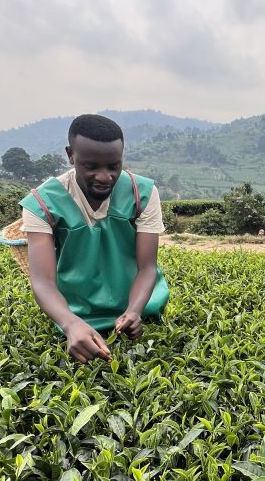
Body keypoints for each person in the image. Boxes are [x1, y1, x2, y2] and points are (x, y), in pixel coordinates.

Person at [20, 114, 169, 363]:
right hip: (76, 310)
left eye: (113, 166)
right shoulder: (40, 203)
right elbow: (42, 281)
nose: (104, 177)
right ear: (70, 155)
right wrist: (69, 323)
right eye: (91, 166)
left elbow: (147, 267)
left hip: (142, 303)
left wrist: (134, 311)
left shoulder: (142, 192)